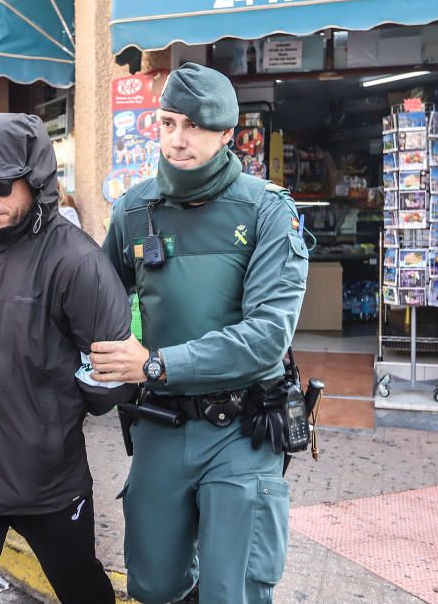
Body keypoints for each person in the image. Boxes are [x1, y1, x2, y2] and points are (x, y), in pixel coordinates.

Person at [91, 63, 308, 604]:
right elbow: (95, 304)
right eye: (167, 123)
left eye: (194, 126)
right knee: (154, 584)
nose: (178, 139)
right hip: (160, 425)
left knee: (231, 588)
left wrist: (155, 363)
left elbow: (266, 336)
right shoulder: (134, 209)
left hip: (240, 429)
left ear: (227, 134)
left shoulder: (267, 210)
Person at [0, 113, 130, 603]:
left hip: (46, 481)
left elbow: (111, 375)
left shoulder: (77, 261)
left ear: (35, 180)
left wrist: (47, 407)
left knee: (83, 591)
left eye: (0, 183)